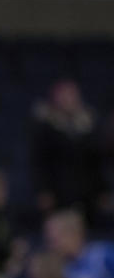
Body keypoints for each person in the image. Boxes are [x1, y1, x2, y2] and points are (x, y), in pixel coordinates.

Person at [31, 79, 109, 226]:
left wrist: (103, 190)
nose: (68, 100)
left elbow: (97, 161)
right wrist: (43, 191)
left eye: (72, 95)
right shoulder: (44, 125)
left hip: (88, 191)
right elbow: (39, 162)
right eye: (64, 96)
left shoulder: (89, 123)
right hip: (59, 191)